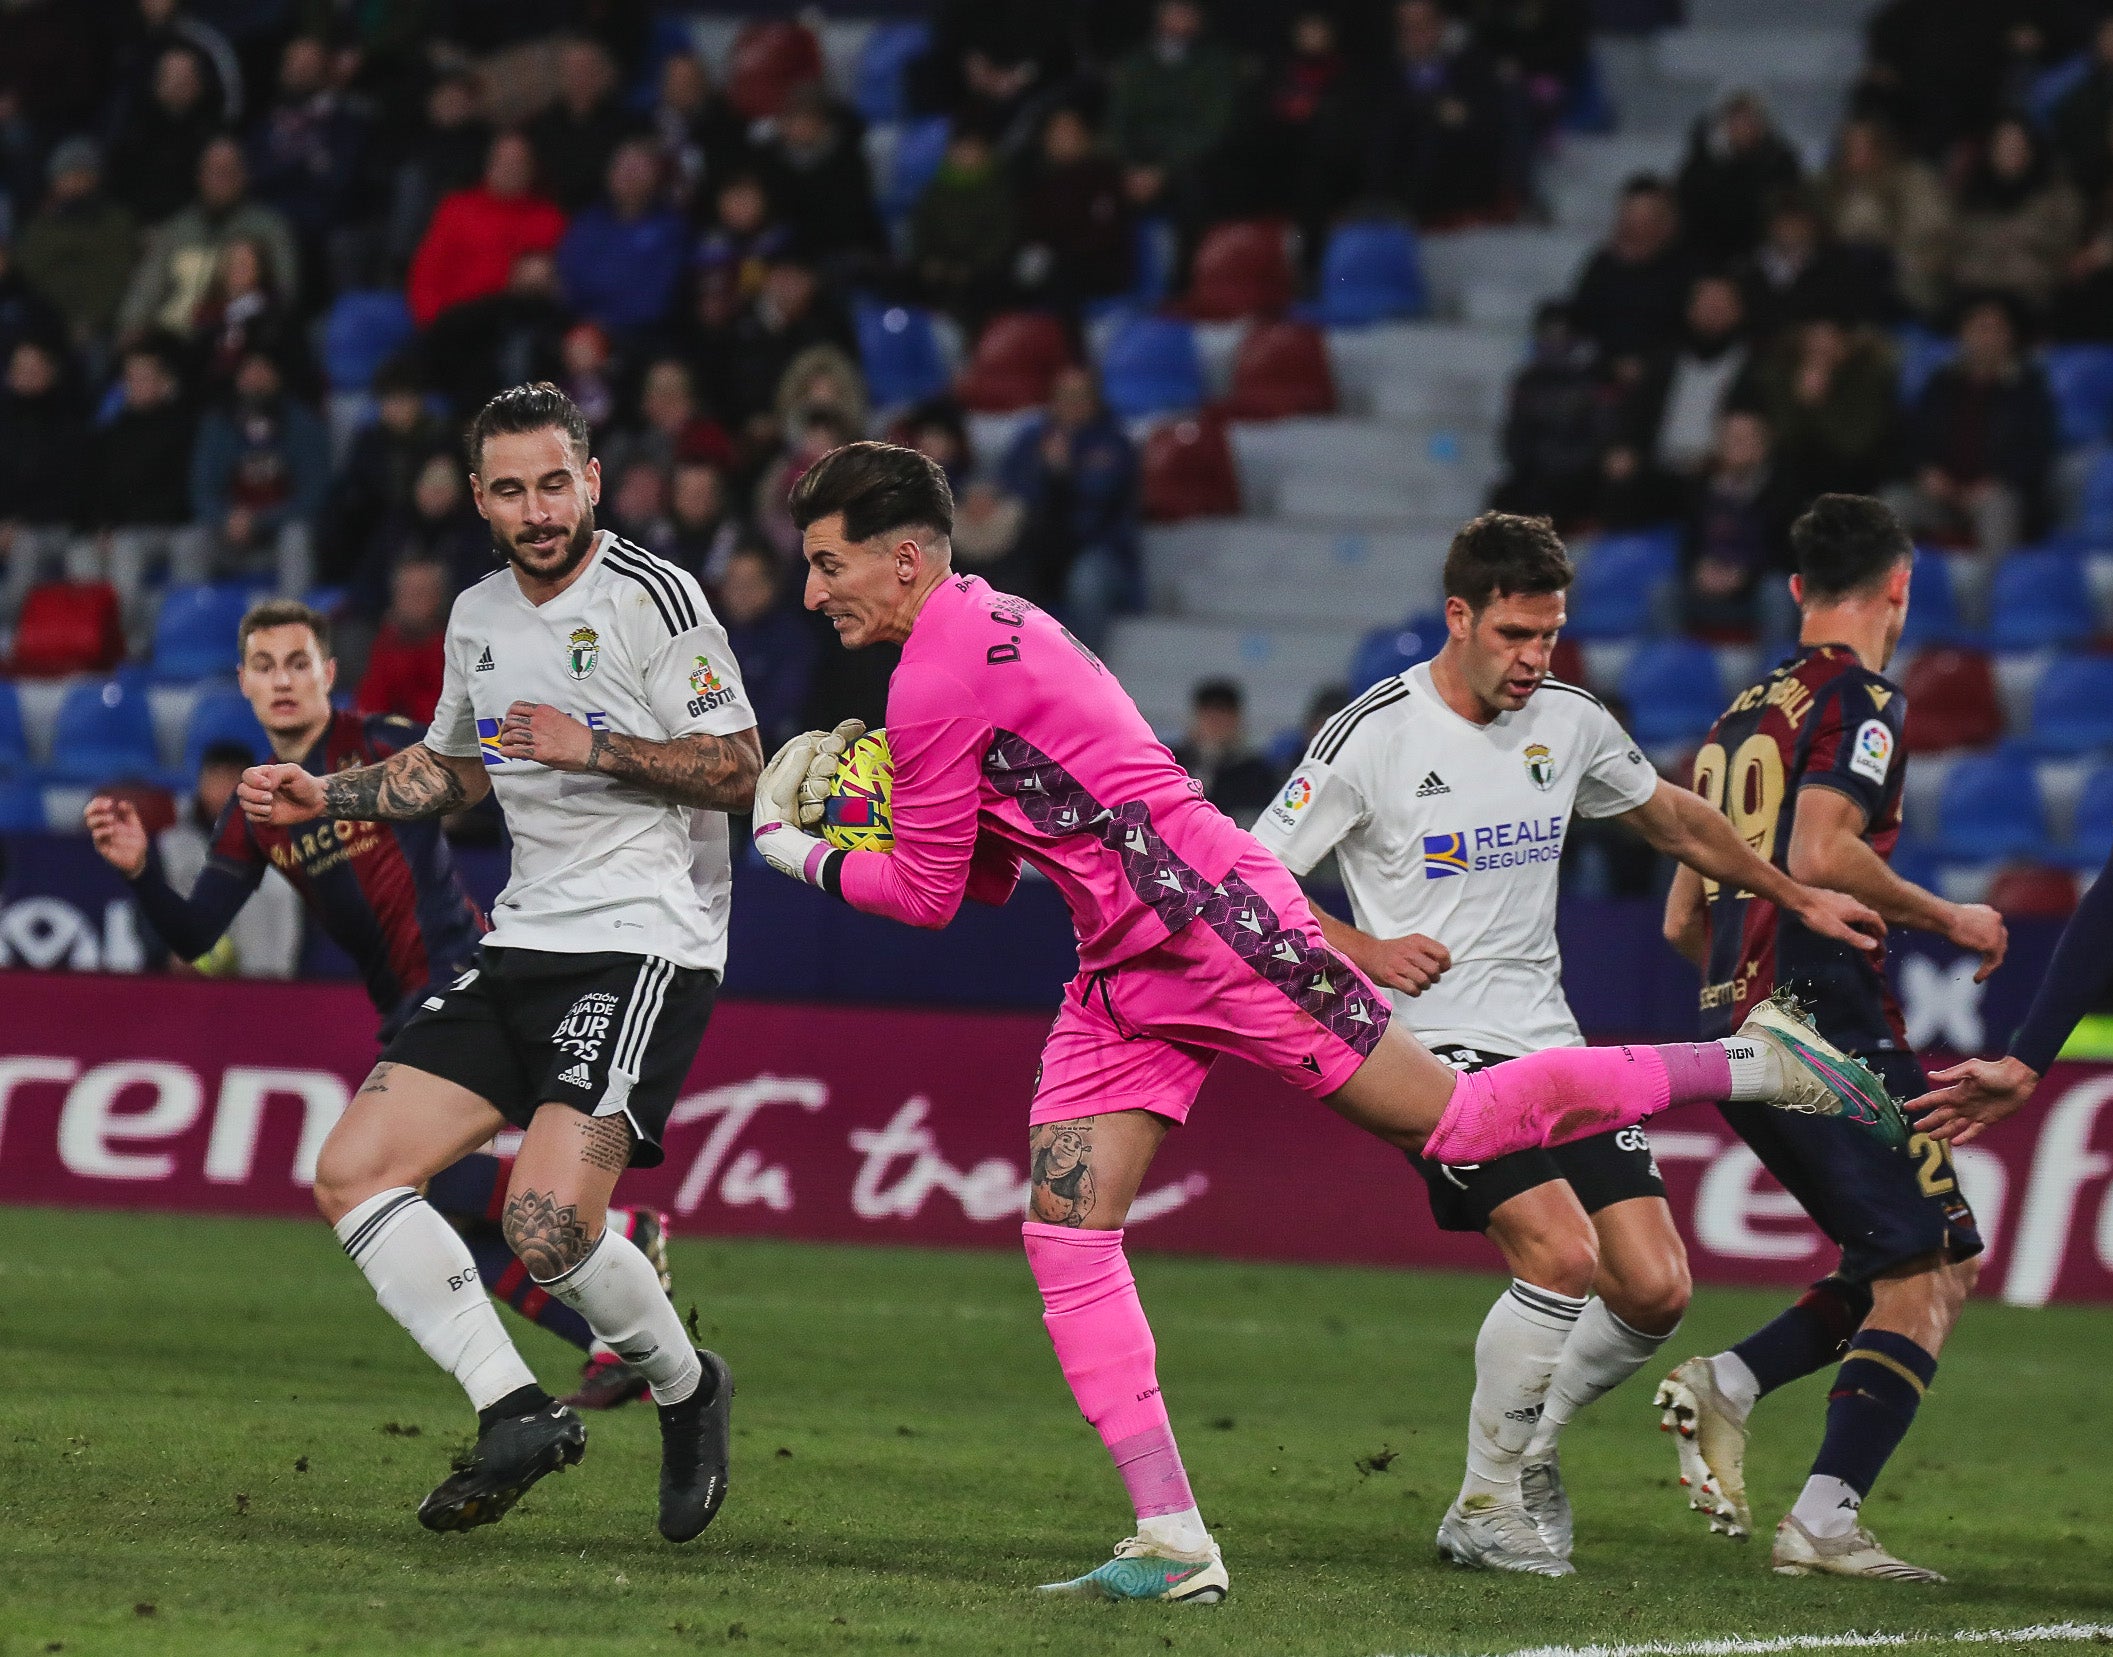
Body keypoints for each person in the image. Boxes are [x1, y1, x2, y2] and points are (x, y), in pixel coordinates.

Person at [748, 441, 1901, 1602]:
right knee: (1066, 1229)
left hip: (1211, 926)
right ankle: (1171, 1538)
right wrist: (880, 815)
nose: (812, 592)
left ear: (903, 559)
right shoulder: (1001, 623)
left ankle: (1752, 1062)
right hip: (1123, 957)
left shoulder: (935, 677)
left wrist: (790, 845)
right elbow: (996, 869)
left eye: (828, 564)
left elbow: (929, 895)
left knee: (1454, 1123)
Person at [1252, 511, 1889, 1577]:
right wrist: (1361, 945)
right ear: (1457, 618)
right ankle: (1484, 1503)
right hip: (1429, 1054)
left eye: (1549, 636)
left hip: (1551, 1045)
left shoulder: (1570, 720)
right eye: (1513, 634)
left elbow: (1678, 822)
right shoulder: (1373, 733)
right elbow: (1249, 877)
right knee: (1559, 1252)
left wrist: (1792, 895)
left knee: (1653, 1288)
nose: (1533, 659)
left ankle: (1529, 1447)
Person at [234, 383, 761, 1540]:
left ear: (592, 481)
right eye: (510, 489)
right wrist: (332, 791)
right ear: (479, 499)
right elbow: (451, 770)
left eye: (554, 483)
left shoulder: (655, 600)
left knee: (545, 1229)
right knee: (353, 1169)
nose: (535, 509)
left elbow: (740, 767)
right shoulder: (475, 614)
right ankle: (513, 1406)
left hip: (645, 942)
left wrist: (597, 746)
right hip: (525, 937)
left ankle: (687, 1385)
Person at [83, 596, 677, 1413]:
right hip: (408, 1009)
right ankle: (613, 1336)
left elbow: (481, 773)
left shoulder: (383, 743)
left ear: (328, 673)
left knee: (410, 1186)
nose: (283, 679)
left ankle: (616, 1256)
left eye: (299, 662)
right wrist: (140, 868)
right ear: (245, 685)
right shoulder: (256, 808)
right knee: (435, 1204)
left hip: (467, 980)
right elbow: (194, 934)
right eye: (265, 666)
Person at [1658, 493, 2008, 1584]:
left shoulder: (1733, 720)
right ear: (1898, 587)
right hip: (1826, 1020)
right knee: (1928, 1265)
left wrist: (1744, 996)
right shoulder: (1861, 698)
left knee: (1918, 1251)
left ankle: (1736, 1382)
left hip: (1735, 1024)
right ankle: (1822, 1516)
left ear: (1798, 588)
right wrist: (1950, 917)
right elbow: (1819, 849)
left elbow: (1682, 917)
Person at [148, 740, 300, 979]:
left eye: (232, 780)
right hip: (188, 988)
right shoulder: (171, 846)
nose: (222, 790)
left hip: (269, 991)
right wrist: (165, 954)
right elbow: (149, 909)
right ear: (200, 784)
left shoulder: (283, 848)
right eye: (214, 778)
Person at [1170, 677, 1279, 825]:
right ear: (1195, 718)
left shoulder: (1257, 772)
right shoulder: (1171, 762)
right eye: (1209, 716)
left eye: (1223, 717)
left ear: (1237, 721)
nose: (1216, 724)